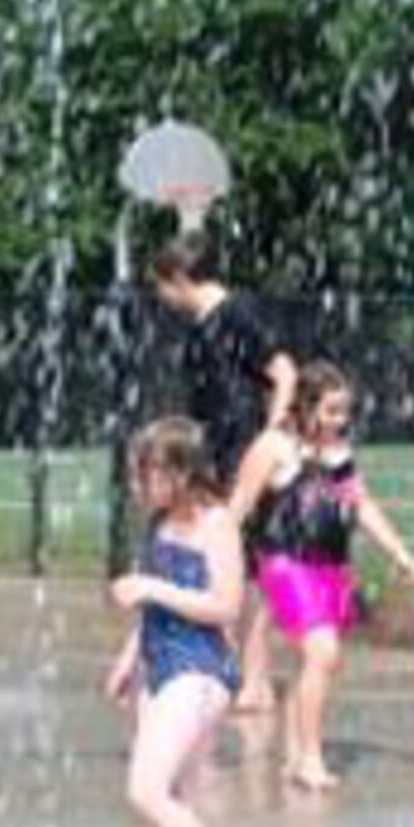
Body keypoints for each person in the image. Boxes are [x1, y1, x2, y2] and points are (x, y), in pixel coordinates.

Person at [224, 362, 414, 790]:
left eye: (344, 411)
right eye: (331, 411)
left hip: (330, 566)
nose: (339, 421)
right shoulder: (274, 447)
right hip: (284, 562)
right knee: (322, 652)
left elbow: (362, 505)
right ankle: (311, 759)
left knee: (311, 663)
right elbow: (238, 506)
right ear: (304, 405)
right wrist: (214, 559)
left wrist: (398, 550)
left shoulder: (337, 452)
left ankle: (295, 754)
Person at [106, 418, 259, 827]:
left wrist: (151, 587)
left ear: (182, 472)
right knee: (173, 797)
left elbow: (226, 606)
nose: (138, 485)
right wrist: (130, 657)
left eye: (147, 473)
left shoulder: (218, 525)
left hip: (199, 668)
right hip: (159, 665)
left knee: (145, 791)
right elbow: (155, 609)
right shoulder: (160, 523)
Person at [144, 235, 298, 711]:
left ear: (179, 277)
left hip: (242, 451)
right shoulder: (202, 323)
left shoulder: (238, 312)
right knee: (223, 559)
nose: (160, 297)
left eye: (160, 286)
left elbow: (285, 372)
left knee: (249, 565)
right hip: (213, 452)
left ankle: (257, 681)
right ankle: (230, 670)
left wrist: (268, 439)